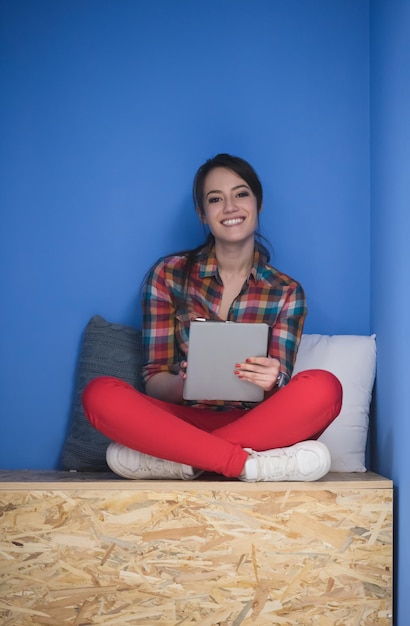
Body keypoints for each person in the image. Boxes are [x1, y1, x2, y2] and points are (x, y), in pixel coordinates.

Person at [82, 153, 342, 482]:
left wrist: (273, 381)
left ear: (258, 205)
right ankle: (241, 464)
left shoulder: (287, 291)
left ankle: (183, 460)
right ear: (202, 214)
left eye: (241, 193)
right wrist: (182, 383)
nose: (230, 207)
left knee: (325, 387)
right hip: (180, 421)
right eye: (215, 199)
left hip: (256, 425)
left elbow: (281, 394)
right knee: (100, 394)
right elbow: (154, 381)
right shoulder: (168, 275)